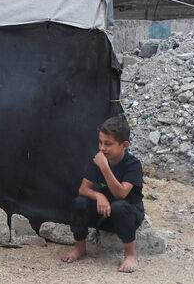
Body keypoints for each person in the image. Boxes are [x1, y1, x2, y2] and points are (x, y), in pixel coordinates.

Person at [61, 115, 144, 273]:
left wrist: (105, 168)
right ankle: (80, 248)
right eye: (100, 142)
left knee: (119, 206)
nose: (102, 148)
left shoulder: (132, 164)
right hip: (104, 214)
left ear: (124, 145)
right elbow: (83, 189)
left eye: (108, 144)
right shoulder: (97, 160)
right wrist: (99, 196)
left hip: (128, 214)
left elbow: (121, 194)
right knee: (79, 202)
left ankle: (130, 254)